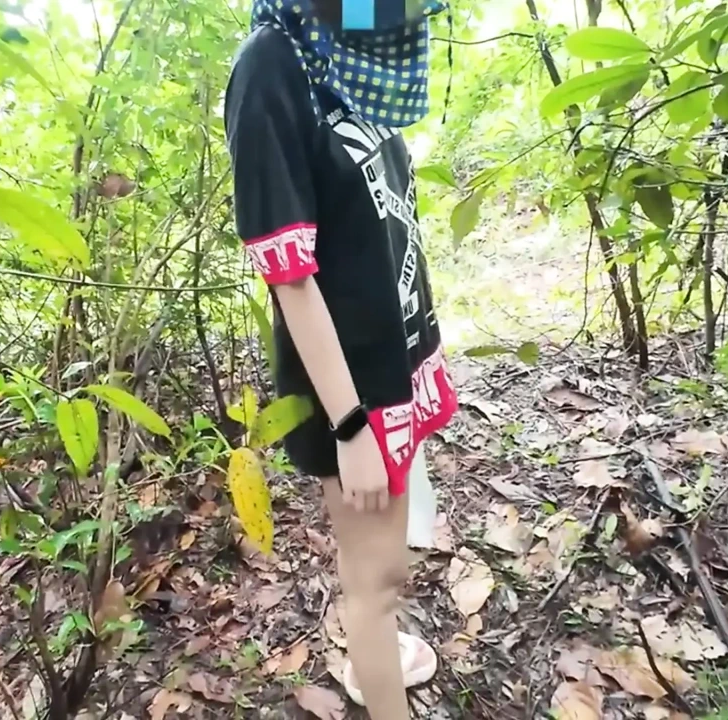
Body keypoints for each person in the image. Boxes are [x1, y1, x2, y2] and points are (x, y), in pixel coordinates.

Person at [223, 1, 458, 717]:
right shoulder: (271, 65)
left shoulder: (351, 41)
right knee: (374, 581)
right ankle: (376, 672)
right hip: (351, 390)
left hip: (394, 356)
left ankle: (372, 656)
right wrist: (351, 427)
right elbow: (289, 273)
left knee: (388, 567)